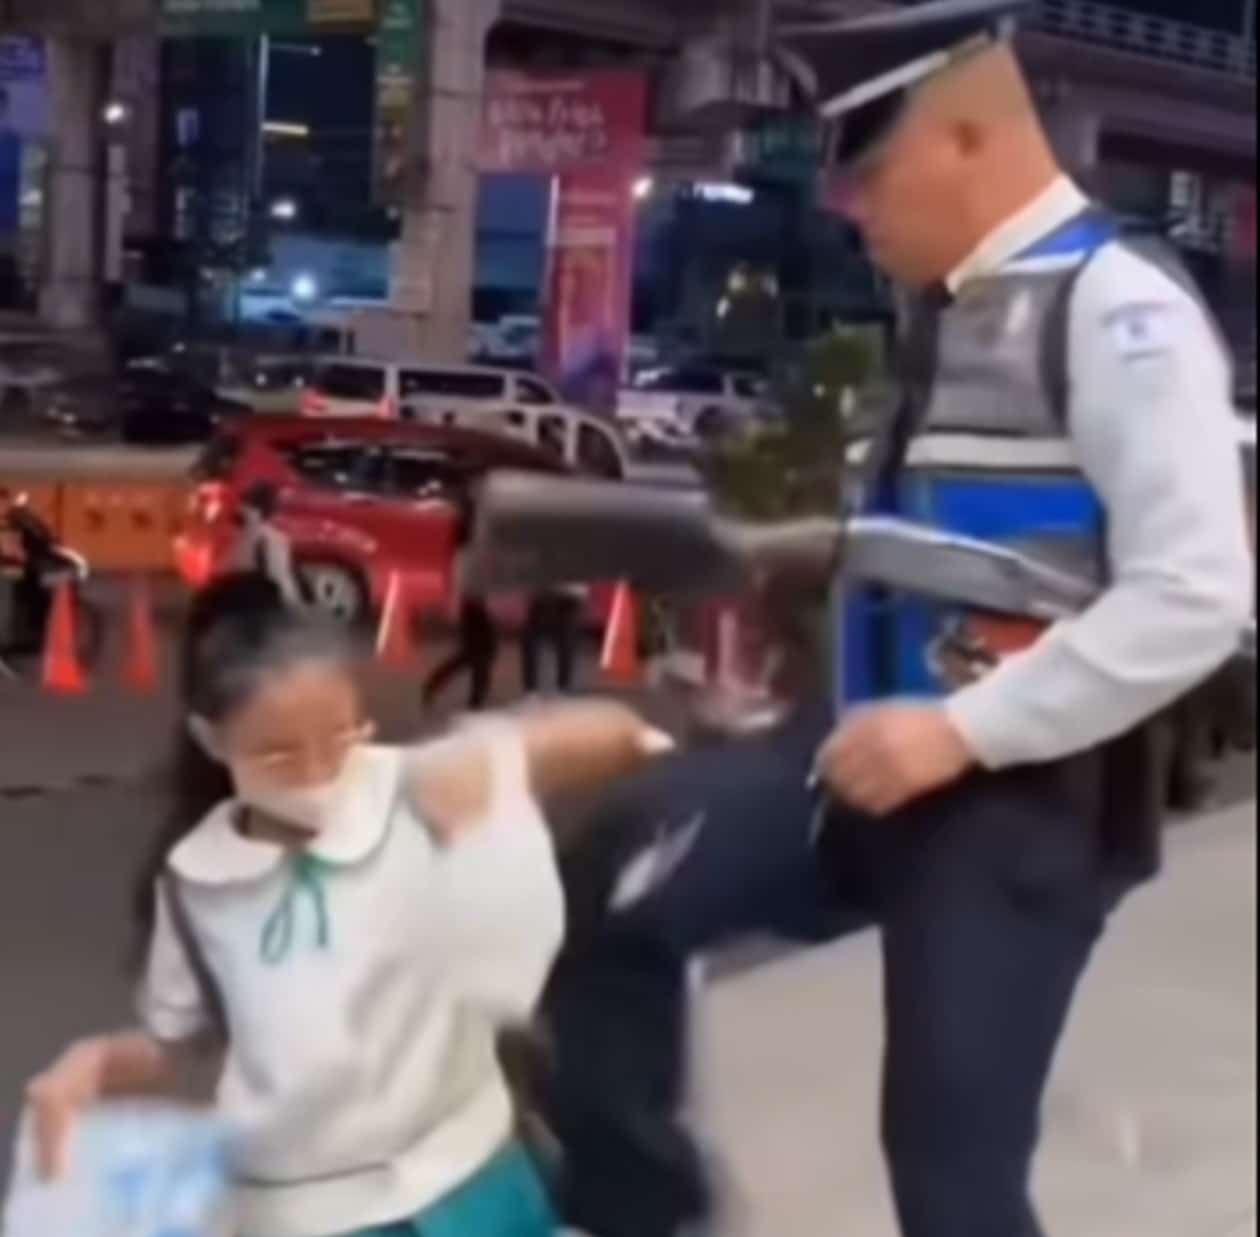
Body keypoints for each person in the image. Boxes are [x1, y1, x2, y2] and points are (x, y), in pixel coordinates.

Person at [535, 5, 1254, 1236]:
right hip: (856, 755)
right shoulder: (949, 310)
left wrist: (965, 732)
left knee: (948, 1172)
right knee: (613, 885)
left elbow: (1195, 592)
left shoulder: (1116, 308)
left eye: (869, 174)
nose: (848, 211)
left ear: (967, 140)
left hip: (1015, 801)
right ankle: (646, 1202)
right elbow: (941, 547)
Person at [24, 573, 674, 1237]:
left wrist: (490, 751)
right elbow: (181, 1043)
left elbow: (620, 736)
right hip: (311, 1215)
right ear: (213, 740)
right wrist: (96, 1063)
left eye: (339, 738)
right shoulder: (196, 883)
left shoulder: (412, 787)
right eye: (278, 754)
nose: (316, 774)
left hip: (472, 1182)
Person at [230, 482, 305, 609]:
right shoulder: (247, 536)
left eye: (245, 506)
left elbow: (280, 581)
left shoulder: (268, 540)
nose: (240, 509)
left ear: (256, 511)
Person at [521, 586, 586, 696]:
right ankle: (533, 690)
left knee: (565, 643)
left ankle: (562, 688)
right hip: (547, 594)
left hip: (566, 595)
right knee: (532, 641)